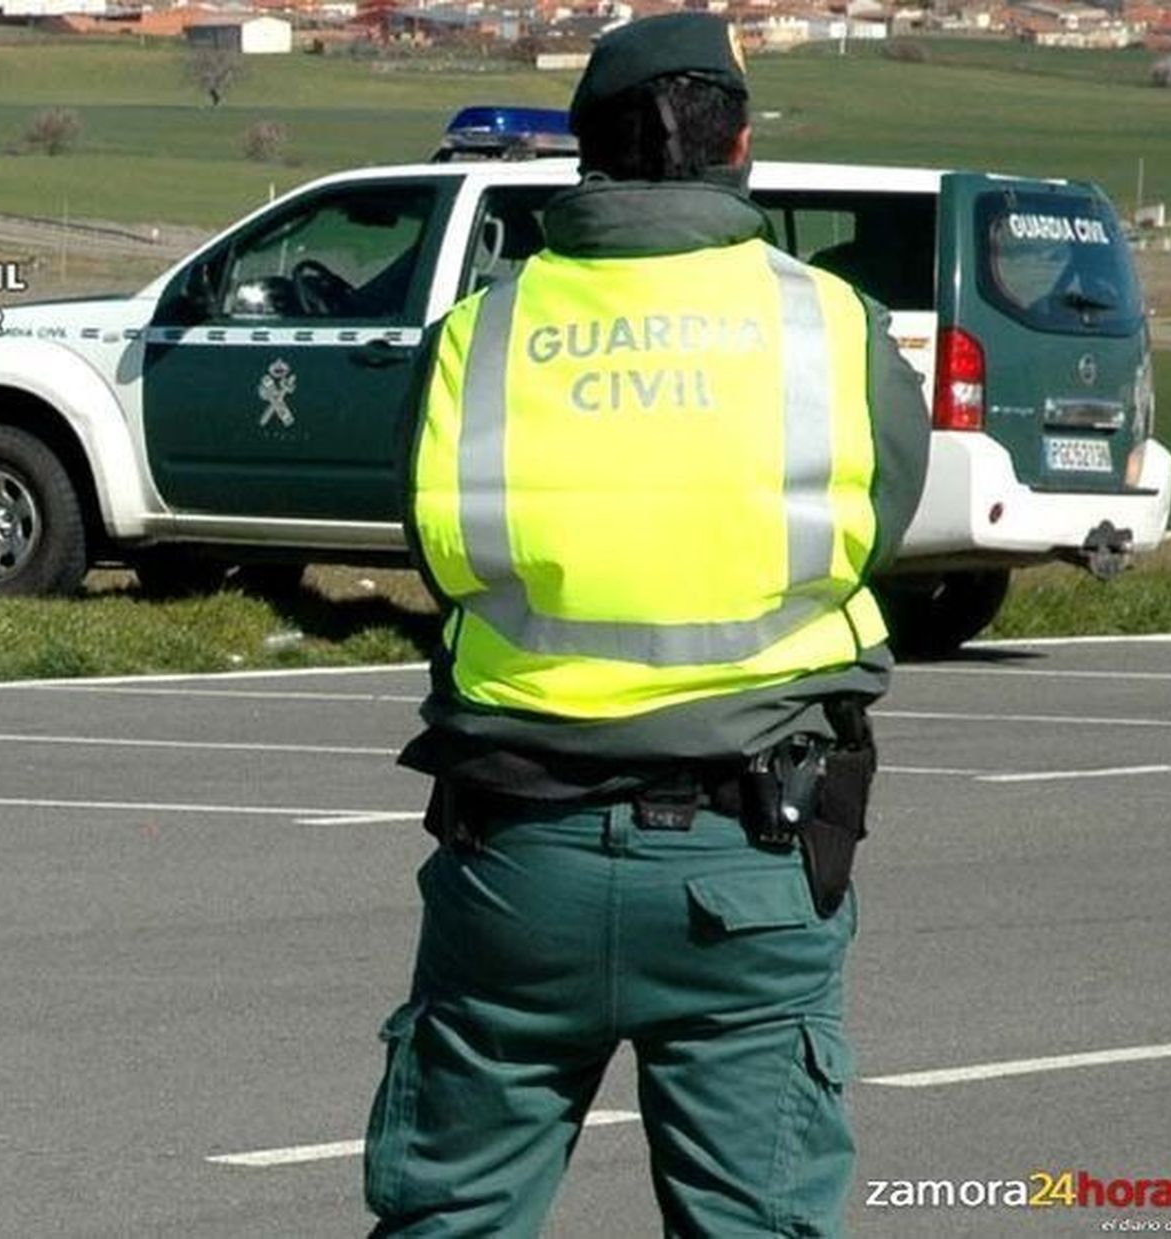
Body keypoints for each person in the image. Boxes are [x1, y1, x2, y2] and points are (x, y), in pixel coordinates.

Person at [363, 13, 931, 1236]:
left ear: (585, 153)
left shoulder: (485, 329)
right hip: (751, 855)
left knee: (448, 1219)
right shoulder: (828, 325)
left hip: (518, 861)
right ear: (738, 145)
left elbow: (436, 548)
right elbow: (874, 527)